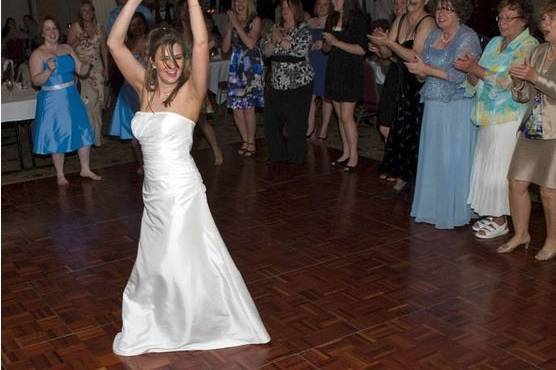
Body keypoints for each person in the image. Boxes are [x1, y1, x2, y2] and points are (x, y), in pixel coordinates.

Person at [107, 0, 270, 355]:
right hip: (152, 195)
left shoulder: (191, 93)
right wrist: (133, 1)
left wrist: (194, 1)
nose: (171, 64)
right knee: (160, 260)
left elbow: (200, 43)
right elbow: (114, 44)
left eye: (177, 58)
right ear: (151, 61)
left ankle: (193, 322)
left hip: (181, 192)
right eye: (164, 58)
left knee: (176, 258)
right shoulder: (143, 87)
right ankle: (166, 320)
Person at [454, 0, 538, 239]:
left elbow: (506, 81)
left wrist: (475, 69)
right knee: (485, 165)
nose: (502, 23)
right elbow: (479, 75)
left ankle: (501, 219)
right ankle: (493, 215)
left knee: (500, 169)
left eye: (509, 18)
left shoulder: (530, 46)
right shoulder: (493, 42)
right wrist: (469, 71)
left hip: (510, 116)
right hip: (486, 114)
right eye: (500, 18)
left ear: (523, 21)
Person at [406, 0, 481, 229]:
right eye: (439, 8)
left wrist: (425, 70)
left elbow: (458, 76)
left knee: (450, 159)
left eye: (447, 9)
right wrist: (419, 71)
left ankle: (453, 211)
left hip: (456, 106)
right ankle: (432, 207)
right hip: (433, 103)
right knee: (433, 157)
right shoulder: (432, 36)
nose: (441, 13)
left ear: (460, 12)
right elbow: (424, 73)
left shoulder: (467, 36)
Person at [502, 0, 556, 261]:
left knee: (548, 191)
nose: (544, 24)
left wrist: (535, 77)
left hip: (555, 132)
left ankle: (552, 241)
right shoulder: (537, 52)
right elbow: (524, 96)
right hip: (531, 127)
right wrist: (518, 82)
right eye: (544, 20)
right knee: (516, 182)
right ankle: (521, 233)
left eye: (551, 19)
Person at [368, 0, 435, 190]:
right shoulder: (400, 18)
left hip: (418, 83)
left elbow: (415, 56)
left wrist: (388, 42)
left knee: (414, 133)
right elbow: (387, 53)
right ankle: (403, 172)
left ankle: (412, 178)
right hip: (398, 78)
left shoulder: (428, 22)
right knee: (390, 127)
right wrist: (380, 44)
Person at [29, 17, 102, 186]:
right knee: (57, 132)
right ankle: (60, 174)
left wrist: (87, 64)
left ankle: (85, 168)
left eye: (54, 28)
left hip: (71, 95)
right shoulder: (38, 54)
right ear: (42, 33)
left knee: (83, 127)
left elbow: (80, 71)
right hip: (52, 99)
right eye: (47, 29)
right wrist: (48, 71)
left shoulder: (67, 48)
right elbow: (36, 81)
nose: (52, 32)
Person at [262, 0, 315, 165]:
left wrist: (280, 40)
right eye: (282, 7)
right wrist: (273, 39)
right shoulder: (277, 28)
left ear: (296, 10)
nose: (284, 11)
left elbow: (298, 52)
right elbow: (266, 52)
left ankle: (296, 157)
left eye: (288, 7)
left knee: (296, 123)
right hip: (277, 84)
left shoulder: (303, 30)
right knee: (271, 122)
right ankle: (277, 154)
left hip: (298, 84)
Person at [177, 0, 224, 165]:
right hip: (179, 82)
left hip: (195, 81)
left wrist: (209, 46)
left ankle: (217, 150)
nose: (185, 12)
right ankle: (184, 156)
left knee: (201, 121)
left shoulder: (197, 28)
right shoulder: (176, 31)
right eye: (183, 10)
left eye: (187, 9)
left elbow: (215, 40)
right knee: (181, 122)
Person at [323, 0, 368, 171]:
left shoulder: (358, 18)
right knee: (339, 115)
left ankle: (354, 155)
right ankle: (346, 152)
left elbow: (362, 49)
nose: (333, 1)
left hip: (350, 72)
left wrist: (335, 42)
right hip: (335, 71)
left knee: (347, 116)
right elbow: (326, 50)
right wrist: (327, 44)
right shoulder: (332, 17)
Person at [222, 0, 264, 158]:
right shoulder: (232, 22)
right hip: (236, 66)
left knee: (248, 107)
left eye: (242, 0)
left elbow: (251, 43)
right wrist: (228, 29)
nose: (239, 3)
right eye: (235, 1)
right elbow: (225, 48)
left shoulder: (255, 20)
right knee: (236, 108)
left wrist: (236, 25)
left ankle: (251, 142)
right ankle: (245, 140)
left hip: (250, 67)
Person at [108, 12, 149, 174]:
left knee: (145, 133)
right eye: (133, 24)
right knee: (135, 135)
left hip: (145, 92)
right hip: (128, 92)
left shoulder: (150, 41)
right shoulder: (126, 44)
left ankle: (150, 163)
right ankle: (142, 164)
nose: (137, 27)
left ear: (145, 24)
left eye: (139, 23)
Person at [68, 1, 109, 147]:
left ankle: (97, 135)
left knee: (98, 103)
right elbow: (68, 49)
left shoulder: (100, 28)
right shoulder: (75, 28)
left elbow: (104, 49)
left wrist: (106, 68)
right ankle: (89, 136)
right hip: (82, 71)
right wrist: (77, 40)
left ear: (93, 12)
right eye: (84, 11)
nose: (87, 13)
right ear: (80, 13)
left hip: (97, 70)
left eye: (89, 10)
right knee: (87, 104)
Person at [306, 0, 333, 140]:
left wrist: (323, 44)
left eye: (325, 4)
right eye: (319, 4)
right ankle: (310, 127)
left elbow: (337, 42)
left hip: (326, 61)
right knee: (310, 95)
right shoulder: (310, 22)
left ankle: (324, 129)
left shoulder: (333, 22)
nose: (322, 7)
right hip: (311, 61)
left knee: (326, 97)